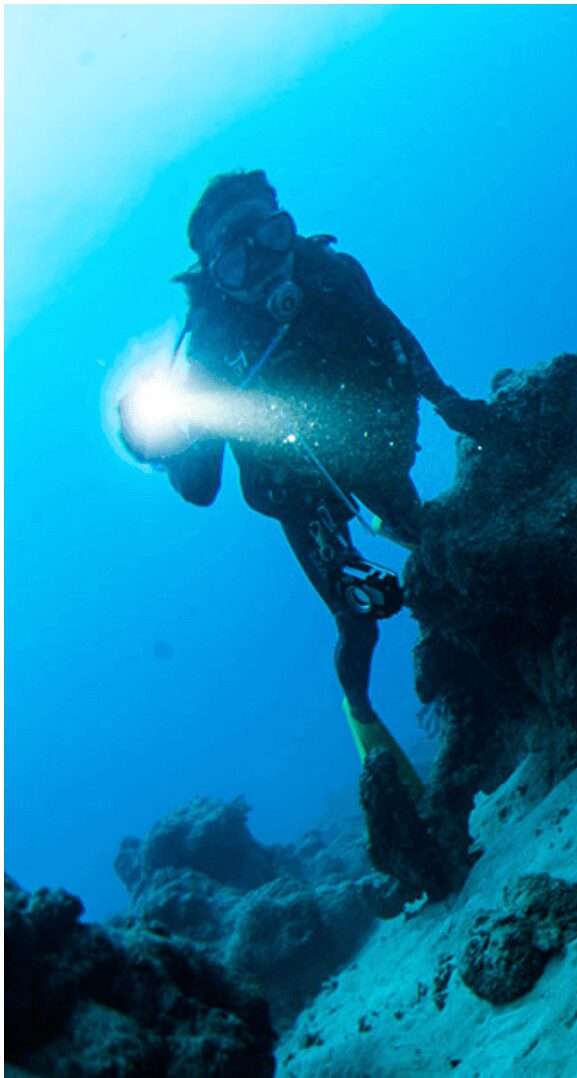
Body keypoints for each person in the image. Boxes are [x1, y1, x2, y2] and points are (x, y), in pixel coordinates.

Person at [118, 169, 490, 809]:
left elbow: (396, 336)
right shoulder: (210, 350)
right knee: (359, 620)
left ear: (286, 225)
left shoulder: (334, 275)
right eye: (236, 257)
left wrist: (451, 403)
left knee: (436, 542)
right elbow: (201, 486)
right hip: (300, 496)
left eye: (270, 233)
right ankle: (365, 722)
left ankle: (490, 655)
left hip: (372, 453)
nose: (263, 263)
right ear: (214, 275)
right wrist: (155, 449)